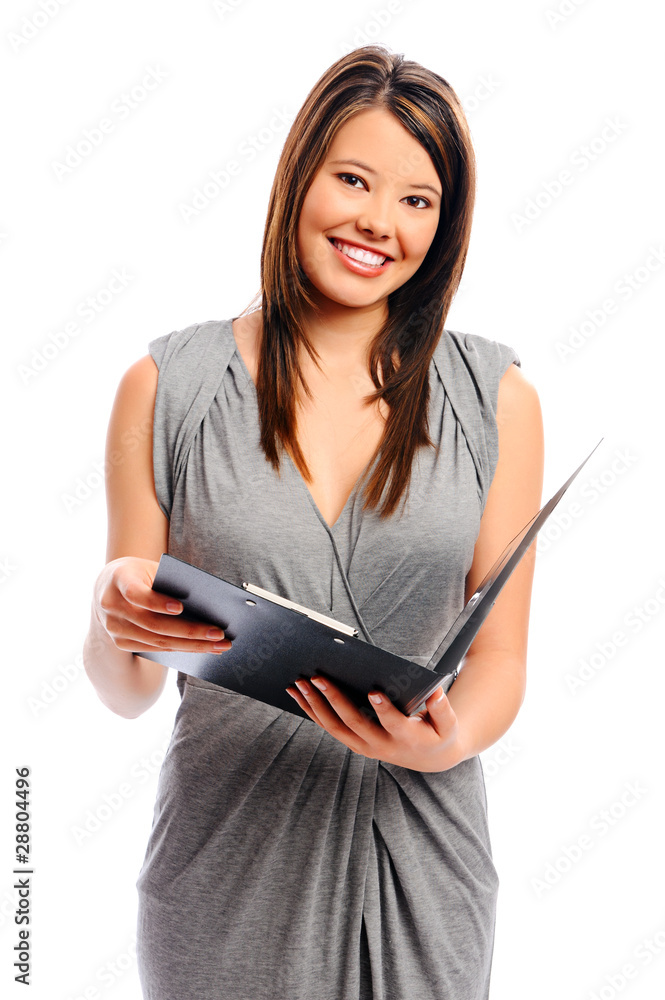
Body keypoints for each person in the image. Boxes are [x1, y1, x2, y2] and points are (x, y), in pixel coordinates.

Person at [83, 43, 543, 1000]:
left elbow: (500, 660)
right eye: (353, 179)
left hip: (424, 858)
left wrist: (445, 743)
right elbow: (126, 687)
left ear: (446, 225)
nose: (378, 221)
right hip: (224, 857)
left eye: (418, 199)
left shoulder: (495, 399)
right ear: (300, 177)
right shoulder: (167, 387)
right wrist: (108, 606)